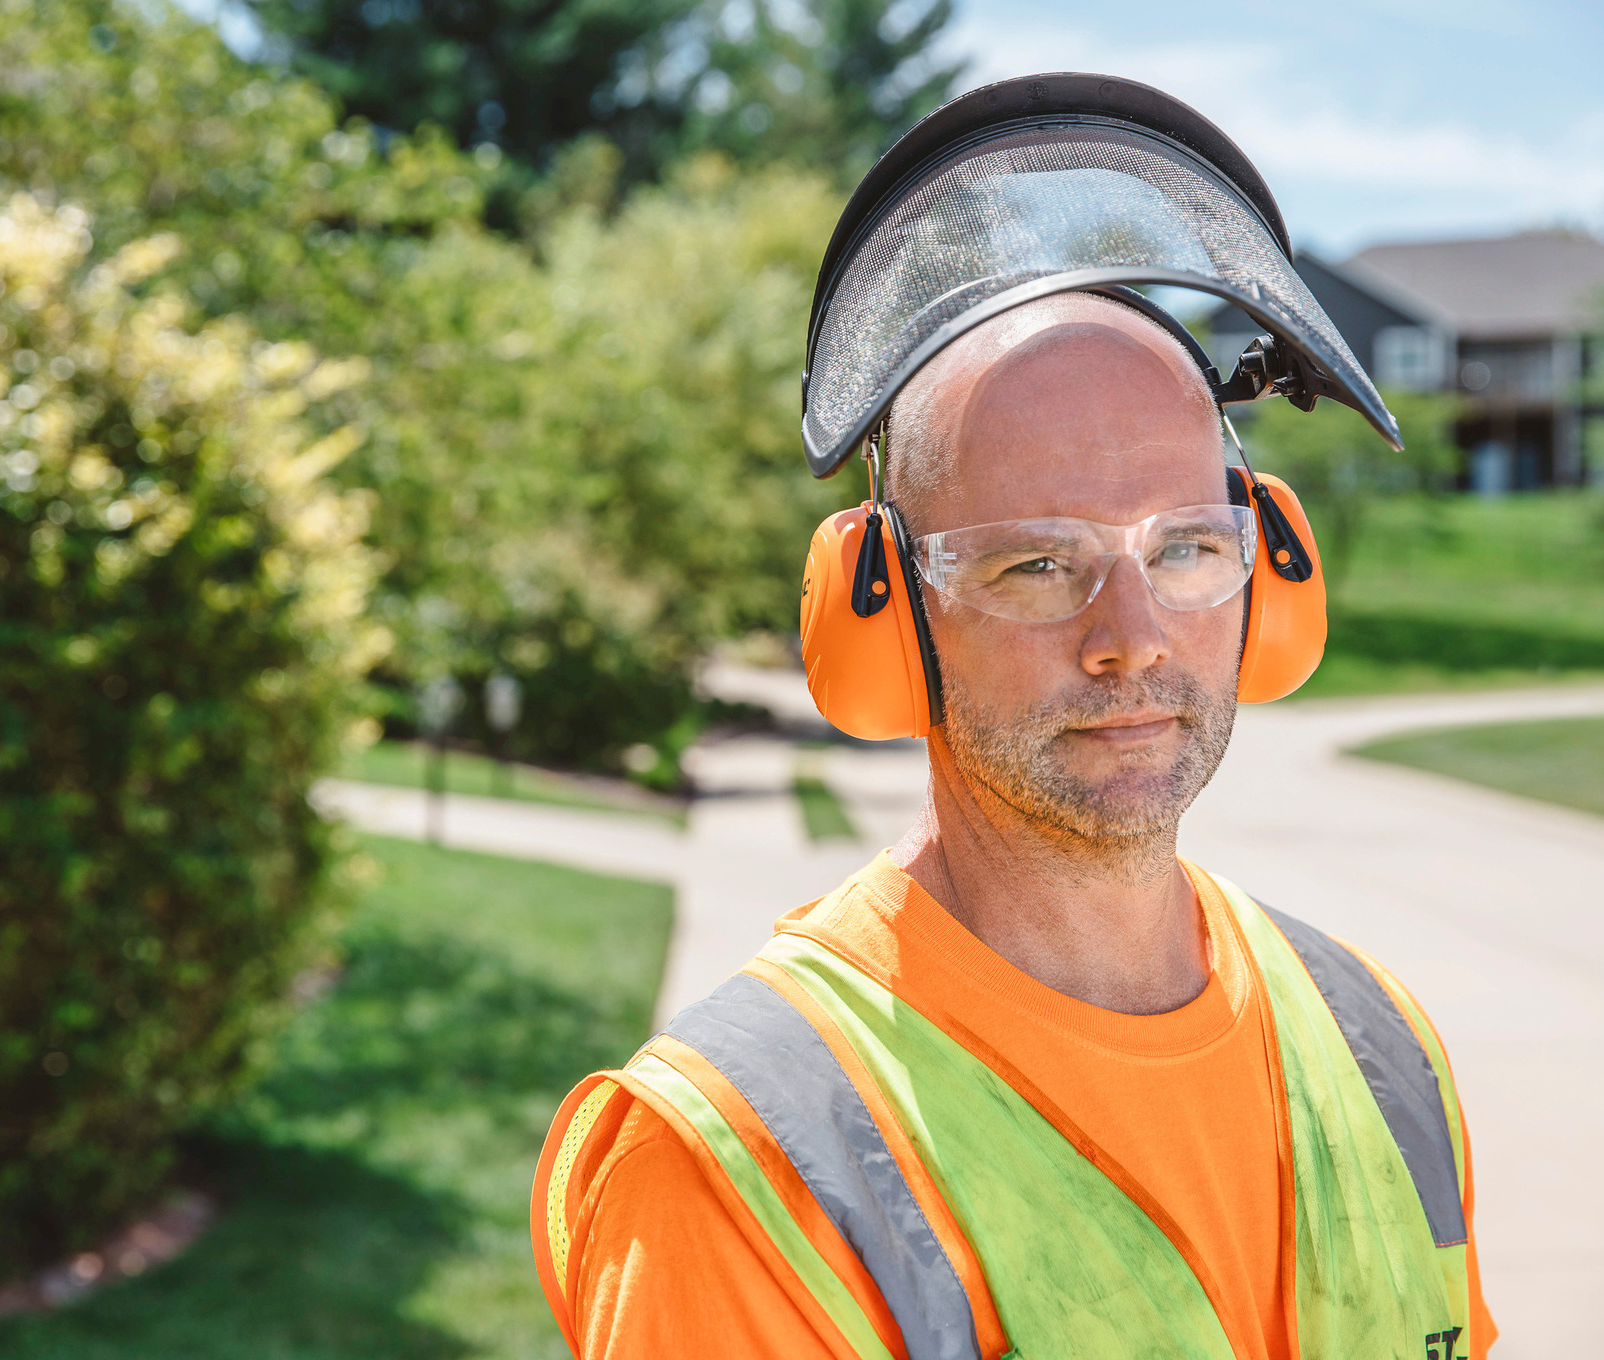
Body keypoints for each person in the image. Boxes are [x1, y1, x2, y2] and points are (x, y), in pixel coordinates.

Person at [531, 73, 1496, 1360]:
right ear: (883, 617)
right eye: (1034, 564)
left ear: (1272, 575)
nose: (1131, 638)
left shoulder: (1379, 1049)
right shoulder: (740, 1160)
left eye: (1189, 550)